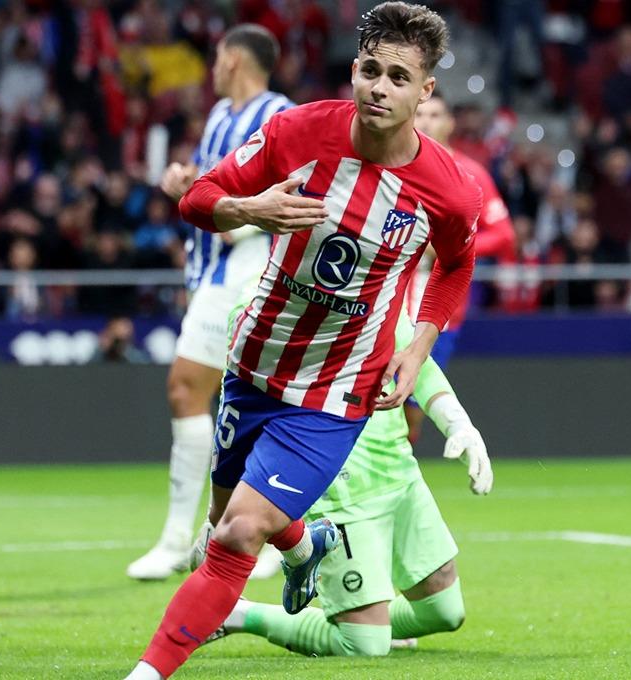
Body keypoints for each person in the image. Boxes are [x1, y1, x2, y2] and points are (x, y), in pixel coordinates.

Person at [125, 4, 480, 677]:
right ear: (354, 70)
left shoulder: (446, 192)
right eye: (370, 70)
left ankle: (146, 673)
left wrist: (420, 342)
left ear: (424, 92)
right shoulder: (298, 132)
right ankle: (303, 544)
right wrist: (248, 208)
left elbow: (457, 267)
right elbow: (199, 196)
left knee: (235, 537)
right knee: (218, 535)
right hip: (253, 367)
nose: (380, 86)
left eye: (398, 77)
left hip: (333, 394)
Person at [204, 312, 493, 656]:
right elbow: (242, 399)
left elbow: (420, 364)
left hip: (399, 474)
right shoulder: (271, 302)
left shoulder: (380, 295)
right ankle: (241, 615)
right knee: (364, 647)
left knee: (445, 611)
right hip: (338, 490)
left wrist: (460, 425)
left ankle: (373, 624)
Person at [127, 23, 293, 581]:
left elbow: (289, 194)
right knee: (192, 390)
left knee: (251, 399)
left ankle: (264, 534)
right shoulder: (221, 117)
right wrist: (186, 182)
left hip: (256, 265)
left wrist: (213, 201)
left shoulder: (280, 114)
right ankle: (183, 538)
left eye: (218, 57)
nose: (212, 67)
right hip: (214, 270)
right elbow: (213, 184)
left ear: (237, 60)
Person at [405, 91, 515, 440]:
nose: (426, 122)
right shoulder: (390, 166)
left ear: (450, 124)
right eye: (420, 114)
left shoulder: (470, 173)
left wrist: (449, 249)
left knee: (411, 412)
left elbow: (503, 234)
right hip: (385, 305)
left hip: (439, 312)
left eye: (435, 115)